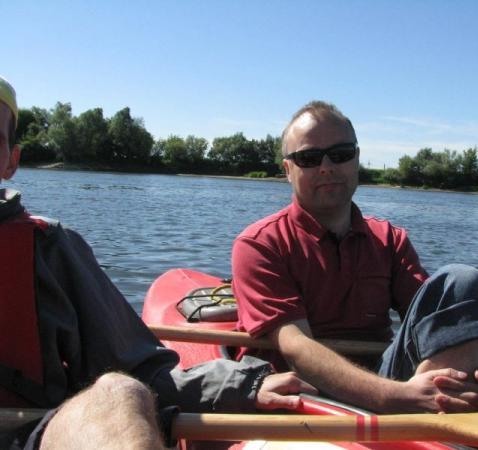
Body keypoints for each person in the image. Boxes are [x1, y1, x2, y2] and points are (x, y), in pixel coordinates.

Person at [0, 76, 317, 450]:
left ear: (11, 161)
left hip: (23, 439)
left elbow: (140, 373)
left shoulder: (48, 249)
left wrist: (243, 385)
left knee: (117, 391)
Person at [232, 100, 478, 414]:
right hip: (303, 394)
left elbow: (433, 321)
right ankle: (435, 413)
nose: (326, 167)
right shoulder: (259, 244)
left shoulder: (390, 239)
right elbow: (296, 348)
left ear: (356, 159)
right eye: (309, 158)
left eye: (341, 154)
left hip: (386, 380)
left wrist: (469, 355)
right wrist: (400, 396)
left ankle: (443, 406)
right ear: (288, 170)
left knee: (463, 282)